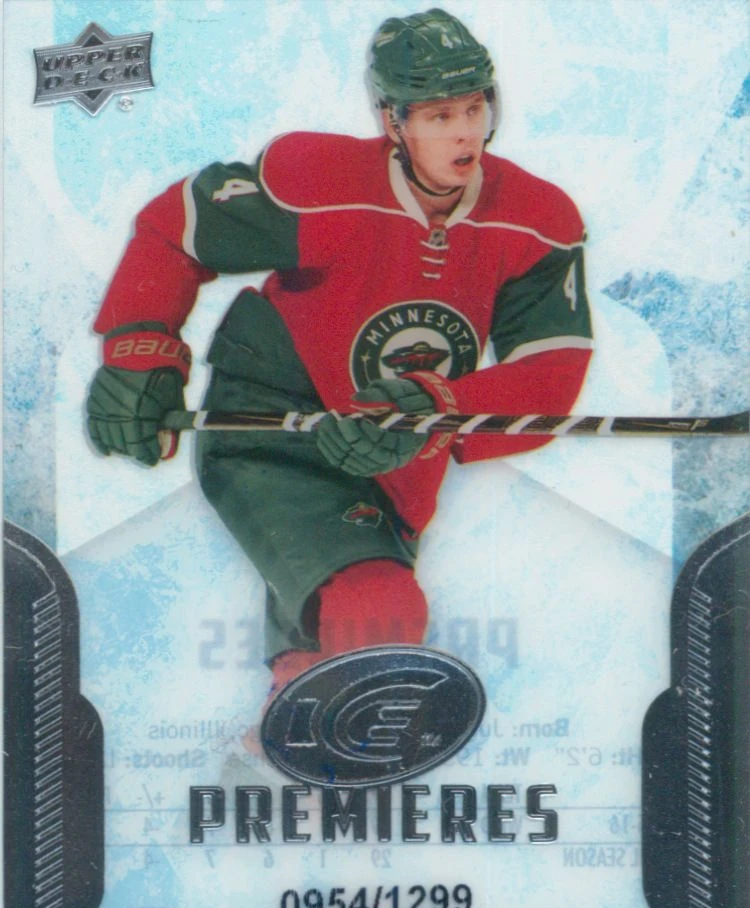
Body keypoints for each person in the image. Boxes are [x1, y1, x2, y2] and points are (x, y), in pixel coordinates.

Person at [87, 8, 594, 700]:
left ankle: (284, 733)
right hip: (272, 424)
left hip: (394, 450)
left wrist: (439, 406)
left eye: (475, 108)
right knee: (377, 607)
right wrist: (139, 352)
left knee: (351, 615)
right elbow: (175, 228)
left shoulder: (535, 220)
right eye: (440, 115)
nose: (465, 132)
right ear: (394, 121)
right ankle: (335, 727)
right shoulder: (320, 183)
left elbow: (550, 375)